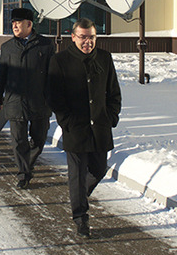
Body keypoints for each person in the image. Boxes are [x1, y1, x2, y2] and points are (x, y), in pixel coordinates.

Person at [46, 18, 122, 238]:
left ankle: (78, 195)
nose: (88, 42)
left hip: (100, 127)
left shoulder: (105, 58)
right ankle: (81, 218)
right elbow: (54, 96)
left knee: (99, 170)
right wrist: (66, 121)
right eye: (83, 37)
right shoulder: (60, 61)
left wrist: (111, 117)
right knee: (77, 174)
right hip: (75, 128)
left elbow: (114, 92)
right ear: (74, 37)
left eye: (91, 37)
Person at [0, 7, 54, 189]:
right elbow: (0, 74)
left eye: (18, 22)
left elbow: (53, 75)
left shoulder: (45, 46)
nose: (14, 26)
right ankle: (23, 173)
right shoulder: (7, 47)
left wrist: (53, 98)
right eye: (12, 23)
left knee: (39, 139)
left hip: (39, 102)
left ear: (29, 24)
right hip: (14, 101)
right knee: (19, 142)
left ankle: (27, 164)